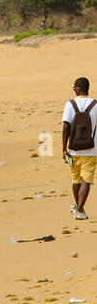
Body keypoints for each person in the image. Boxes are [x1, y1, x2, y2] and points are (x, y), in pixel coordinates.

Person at [62, 77, 96, 220]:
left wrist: (64, 149)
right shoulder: (95, 104)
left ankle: (79, 208)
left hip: (73, 151)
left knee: (76, 179)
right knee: (86, 180)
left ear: (77, 89)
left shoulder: (70, 104)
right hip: (92, 150)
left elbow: (66, 127)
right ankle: (79, 209)